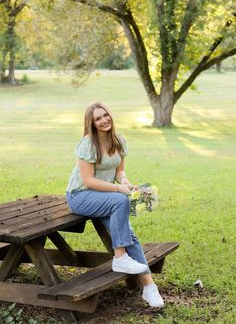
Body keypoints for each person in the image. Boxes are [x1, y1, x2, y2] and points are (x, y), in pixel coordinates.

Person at [66, 102, 164, 308]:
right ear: (91, 124)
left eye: (105, 115)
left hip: (104, 197)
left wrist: (126, 184)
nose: (104, 120)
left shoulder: (118, 140)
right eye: (98, 118)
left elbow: (120, 172)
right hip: (81, 196)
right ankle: (120, 257)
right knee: (120, 200)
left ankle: (149, 287)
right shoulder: (87, 144)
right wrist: (119, 190)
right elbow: (88, 181)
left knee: (129, 233)